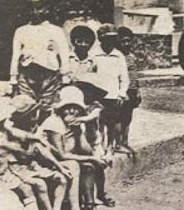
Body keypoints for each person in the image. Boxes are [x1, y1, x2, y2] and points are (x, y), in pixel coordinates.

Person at [40, 86, 114, 209]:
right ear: (60, 108)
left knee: (91, 166)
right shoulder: (54, 123)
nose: (72, 112)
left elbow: (86, 151)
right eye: (67, 108)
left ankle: (90, 205)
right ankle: (81, 205)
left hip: (66, 159)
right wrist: (93, 158)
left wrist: (78, 131)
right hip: (49, 161)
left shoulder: (73, 125)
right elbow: (61, 155)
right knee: (87, 163)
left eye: (76, 108)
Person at [10, 0, 70, 109]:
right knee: (26, 106)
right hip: (27, 76)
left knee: (47, 106)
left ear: (47, 9)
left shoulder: (56, 30)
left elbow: (64, 53)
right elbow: (15, 55)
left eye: (39, 8)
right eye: (30, 8)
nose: (34, 12)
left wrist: (65, 76)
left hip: (49, 76)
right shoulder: (21, 31)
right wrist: (13, 78)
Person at [93, 25, 129, 154]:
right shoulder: (94, 54)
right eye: (107, 38)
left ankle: (110, 147)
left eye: (113, 38)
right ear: (100, 39)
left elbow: (124, 77)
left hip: (113, 96)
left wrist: (121, 94)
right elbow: (90, 75)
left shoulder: (118, 56)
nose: (110, 41)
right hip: (98, 96)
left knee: (112, 123)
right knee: (98, 122)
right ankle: (100, 147)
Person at [115, 26, 141, 155]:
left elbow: (135, 75)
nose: (126, 44)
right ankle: (118, 143)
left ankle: (125, 142)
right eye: (123, 41)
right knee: (118, 117)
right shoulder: (116, 57)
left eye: (128, 41)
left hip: (132, 90)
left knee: (127, 117)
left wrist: (137, 90)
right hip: (122, 91)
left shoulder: (131, 57)